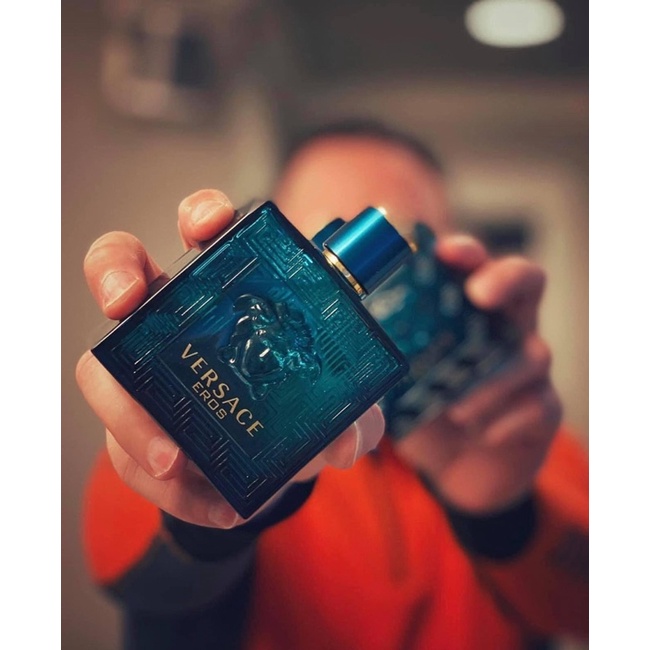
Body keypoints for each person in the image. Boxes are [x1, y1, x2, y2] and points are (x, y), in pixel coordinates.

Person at [77, 120, 588, 650]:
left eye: (404, 249)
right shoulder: (171, 415)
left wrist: (508, 517)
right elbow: (143, 581)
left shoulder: (524, 433)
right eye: (316, 243)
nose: (361, 297)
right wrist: (207, 497)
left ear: (449, 263)